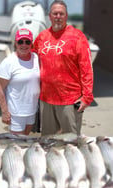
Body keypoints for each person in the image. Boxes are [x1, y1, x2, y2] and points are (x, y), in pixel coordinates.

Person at [33, 0, 94, 136]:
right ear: (49, 16)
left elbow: (86, 68)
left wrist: (87, 96)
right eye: (55, 13)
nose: (58, 16)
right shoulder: (42, 37)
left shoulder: (78, 37)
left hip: (69, 99)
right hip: (46, 99)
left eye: (61, 14)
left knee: (70, 141)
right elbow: (30, 56)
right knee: (48, 140)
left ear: (66, 16)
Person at [0, 28, 40, 135]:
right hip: (16, 112)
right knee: (16, 144)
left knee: (25, 139)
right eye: (20, 42)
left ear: (31, 44)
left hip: (32, 109)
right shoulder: (9, 62)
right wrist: (5, 112)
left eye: (27, 42)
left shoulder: (36, 58)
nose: (24, 45)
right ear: (15, 43)